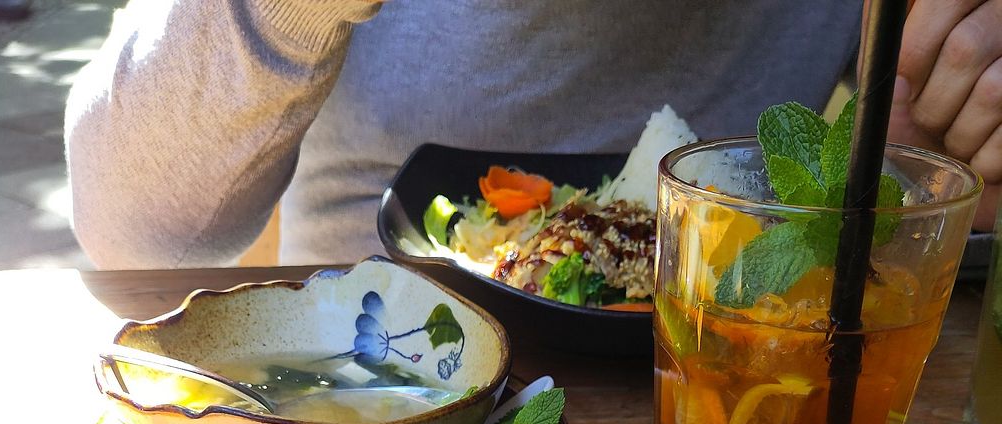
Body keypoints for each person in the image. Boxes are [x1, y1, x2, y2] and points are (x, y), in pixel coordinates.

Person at [65, 0, 1000, 269]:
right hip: (372, 416)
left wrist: (936, 162)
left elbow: (934, 171)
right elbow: (130, 230)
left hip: (731, 419)